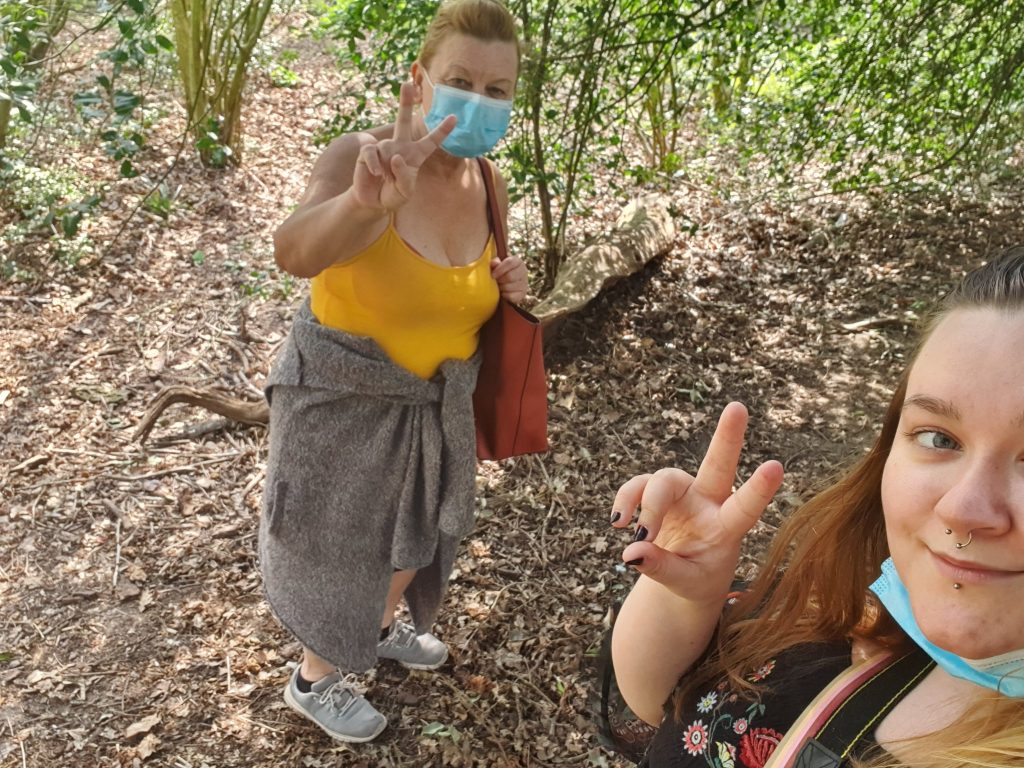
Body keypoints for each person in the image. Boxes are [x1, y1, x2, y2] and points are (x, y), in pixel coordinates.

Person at [609, 248, 1024, 767]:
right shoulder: (855, 607)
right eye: (939, 438)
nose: (961, 508)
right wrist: (686, 598)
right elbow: (662, 704)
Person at [259, 0, 526, 743]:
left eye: (497, 90)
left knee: (420, 533)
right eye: (460, 80)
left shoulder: (488, 181)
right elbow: (293, 252)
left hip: (435, 405)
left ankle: (375, 629)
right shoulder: (363, 155)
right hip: (344, 398)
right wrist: (361, 204)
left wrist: (509, 290)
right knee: (341, 548)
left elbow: (467, 292)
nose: (478, 100)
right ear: (421, 77)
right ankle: (315, 678)